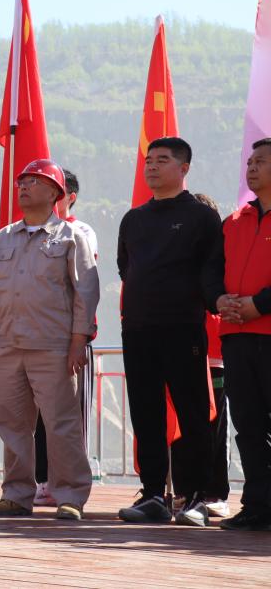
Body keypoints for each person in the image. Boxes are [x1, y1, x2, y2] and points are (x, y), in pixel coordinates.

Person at [0, 160, 99, 520]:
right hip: (9, 345)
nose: (24, 187)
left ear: (55, 192)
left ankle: (70, 495)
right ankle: (16, 494)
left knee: (61, 424)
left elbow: (85, 292)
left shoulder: (70, 237)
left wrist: (78, 341)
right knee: (12, 424)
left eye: (34, 182)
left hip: (54, 346)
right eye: (22, 182)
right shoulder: (3, 237)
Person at [116, 137, 222, 527]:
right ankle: (153, 495)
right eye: (149, 160)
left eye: (162, 160)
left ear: (184, 168)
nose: (152, 166)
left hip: (183, 328)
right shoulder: (134, 219)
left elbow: (212, 270)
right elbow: (125, 268)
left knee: (193, 414)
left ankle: (195, 497)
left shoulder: (201, 217)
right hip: (138, 329)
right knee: (146, 414)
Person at [204, 137, 271, 531]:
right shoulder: (233, 221)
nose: (252, 168)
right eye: (249, 162)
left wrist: (259, 304)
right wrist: (218, 299)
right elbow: (211, 271)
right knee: (248, 424)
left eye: (261, 161)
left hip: (267, 329)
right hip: (236, 335)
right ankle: (257, 504)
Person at [33, 168, 99, 506]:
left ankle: (70, 483)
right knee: (38, 416)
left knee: (69, 416)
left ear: (67, 197)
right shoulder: (26, 232)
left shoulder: (80, 232)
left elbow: (84, 286)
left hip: (70, 339)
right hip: (34, 338)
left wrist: (78, 336)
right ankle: (43, 479)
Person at [169, 194, 230, 517]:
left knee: (214, 426)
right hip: (180, 349)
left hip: (215, 355)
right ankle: (183, 491)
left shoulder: (222, 255)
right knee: (181, 426)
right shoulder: (179, 253)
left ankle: (214, 493)